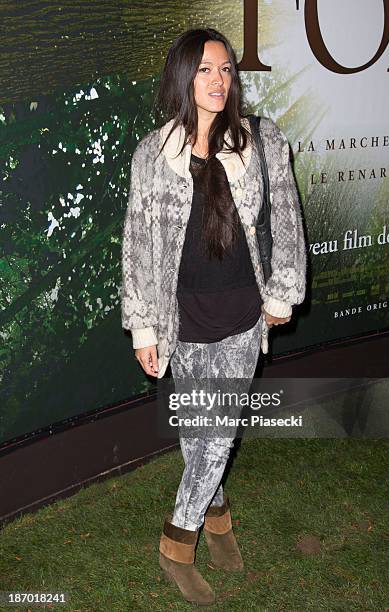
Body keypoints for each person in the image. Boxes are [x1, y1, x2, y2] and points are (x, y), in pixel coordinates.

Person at [121, 28, 307, 606]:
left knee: (218, 428)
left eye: (226, 69)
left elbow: (288, 221)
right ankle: (218, 513)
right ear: (183, 77)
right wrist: (144, 326)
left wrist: (282, 293)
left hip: (244, 311)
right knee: (195, 432)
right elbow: (137, 244)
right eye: (205, 70)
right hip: (182, 316)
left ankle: (177, 541)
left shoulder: (262, 141)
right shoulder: (154, 153)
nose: (219, 81)